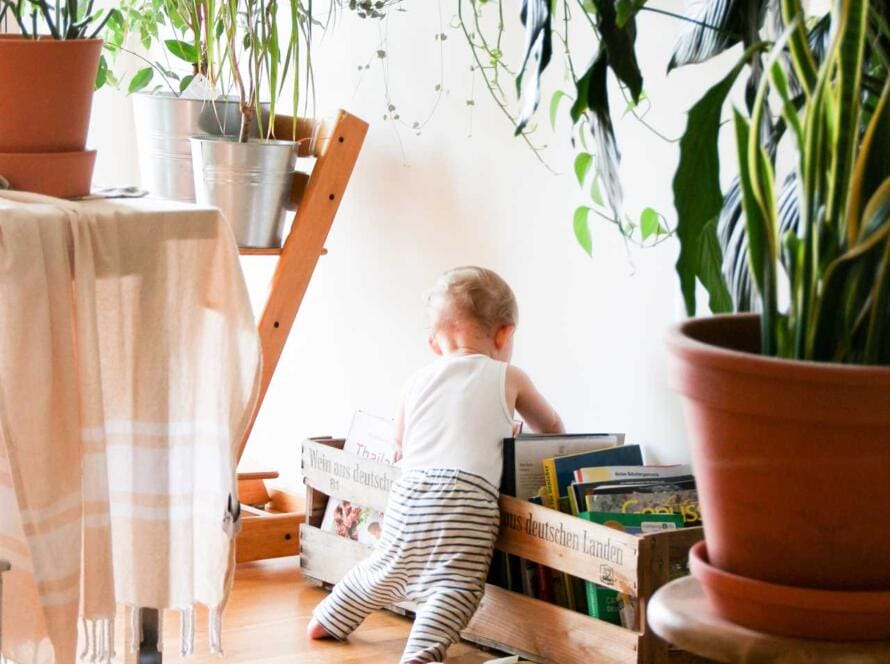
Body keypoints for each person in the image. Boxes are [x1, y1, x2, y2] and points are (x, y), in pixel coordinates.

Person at [308, 266, 564, 663]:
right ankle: (421, 653)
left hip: (411, 493)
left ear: (434, 342)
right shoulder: (508, 376)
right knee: (455, 586)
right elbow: (550, 427)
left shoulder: (416, 381)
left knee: (386, 566)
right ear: (504, 334)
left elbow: (400, 444)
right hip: (467, 499)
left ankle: (329, 618)